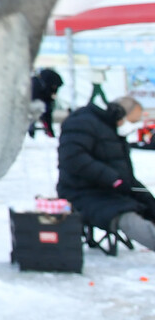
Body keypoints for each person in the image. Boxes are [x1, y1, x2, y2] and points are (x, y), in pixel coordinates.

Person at [57, 95, 155, 250]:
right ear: (119, 114)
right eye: (132, 121)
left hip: (113, 189)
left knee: (149, 203)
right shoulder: (82, 122)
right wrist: (113, 179)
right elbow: (73, 158)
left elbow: (125, 175)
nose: (132, 127)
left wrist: (145, 195)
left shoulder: (113, 130)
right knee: (127, 217)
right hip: (84, 192)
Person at [28, 67, 63, 138]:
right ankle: (47, 132)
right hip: (37, 101)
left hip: (35, 101)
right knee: (44, 112)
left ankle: (33, 131)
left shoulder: (37, 81)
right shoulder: (41, 83)